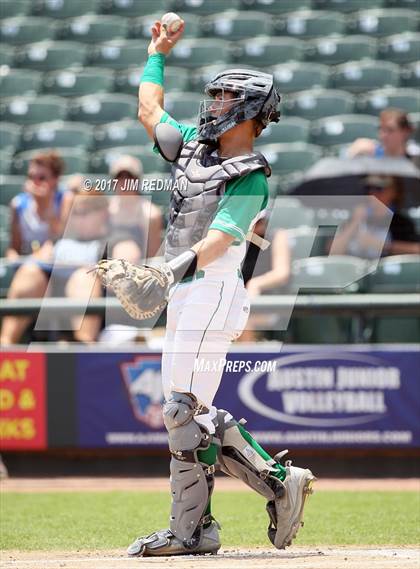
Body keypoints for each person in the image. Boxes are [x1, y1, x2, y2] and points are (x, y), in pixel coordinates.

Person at [124, 19, 315, 557]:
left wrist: (167, 269)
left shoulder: (251, 173)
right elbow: (148, 109)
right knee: (190, 415)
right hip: (187, 289)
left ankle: (192, 531)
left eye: (228, 94)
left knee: (183, 412)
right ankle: (274, 485)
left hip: (212, 286)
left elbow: (220, 238)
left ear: (253, 110)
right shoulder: (191, 144)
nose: (215, 102)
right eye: (215, 93)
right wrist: (156, 54)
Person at [0, 151, 73, 345]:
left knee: (31, 272)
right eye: (31, 177)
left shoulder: (64, 199)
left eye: (42, 178)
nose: (36, 182)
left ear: (55, 180)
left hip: (58, 268)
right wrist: (15, 257)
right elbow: (13, 248)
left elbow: (60, 237)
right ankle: (7, 344)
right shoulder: (19, 204)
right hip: (30, 267)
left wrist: (45, 204)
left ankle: (6, 343)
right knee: (30, 272)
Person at [330, 175, 420, 258]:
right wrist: (355, 221)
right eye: (368, 188)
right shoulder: (356, 217)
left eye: (379, 188)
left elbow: (416, 250)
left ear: (394, 192)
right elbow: (332, 251)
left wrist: (381, 245)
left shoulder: (401, 223)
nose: (372, 193)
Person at [108, 155, 163, 262]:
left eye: (129, 177)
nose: (124, 183)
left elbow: (153, 257)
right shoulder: (105, 209)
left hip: (136, 271)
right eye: (120, 177)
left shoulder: (151, 214)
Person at [347, 108, 414, 160]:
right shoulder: (369, 153)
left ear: (405, 132)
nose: (383, 135)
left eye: (390, 130)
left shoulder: (415, 160)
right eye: (381, 129)